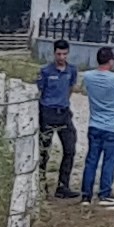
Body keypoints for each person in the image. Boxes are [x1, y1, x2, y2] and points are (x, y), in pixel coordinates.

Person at [78, 46, 114, 205]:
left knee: (91, 161)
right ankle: (104, 194)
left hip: (94, 125)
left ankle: (86, 195)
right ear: (110, 61)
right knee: (108, 161)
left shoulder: (88, 76)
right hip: (112, 128)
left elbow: (99, 81)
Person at [35, 39, 80, 197]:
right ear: (54, 53)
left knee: (70, 149)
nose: (62, 57)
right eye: (59, 54)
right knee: (44, 150)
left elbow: (70, 89)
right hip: (48, 113)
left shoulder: (72, 70)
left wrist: (64, 104)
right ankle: (41, 184)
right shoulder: (46, 71)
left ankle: (63, 186)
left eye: (65, 54)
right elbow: (39, 93)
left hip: (64, 113)